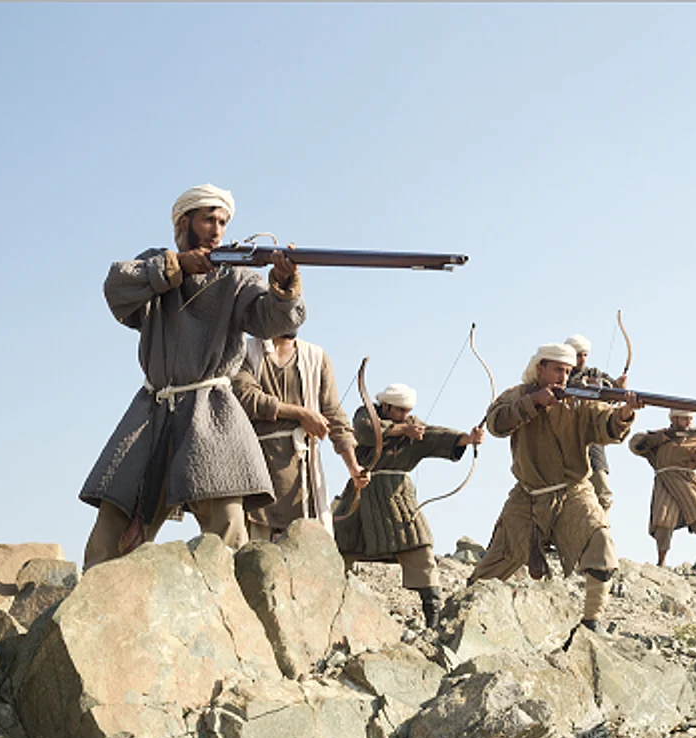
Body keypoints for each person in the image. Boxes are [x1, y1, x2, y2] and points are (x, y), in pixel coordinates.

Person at [79, 184, 306, 569]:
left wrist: (284, 290)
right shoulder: (155, 265)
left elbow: (268, 321)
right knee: (114, 526)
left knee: (227, 526)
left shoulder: (237, 277)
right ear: (185, 222)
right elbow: (116, 287)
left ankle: (232, 601)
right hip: (152, 412)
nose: (217, 230)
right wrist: (176, 267)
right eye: (208, 220)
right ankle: (94, 601)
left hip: (212, 412)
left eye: (223, 222)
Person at [467, 343, 641, 635]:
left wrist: (624, 412)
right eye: (558, 370)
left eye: (568, 371)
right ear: (540, 369)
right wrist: (533, 403)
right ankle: (463, 614)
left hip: (574, 491)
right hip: (528, 494)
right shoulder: (517, 394)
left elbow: (605, 424)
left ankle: (591, 621)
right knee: (494, 564)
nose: (564, 377)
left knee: (600, 543)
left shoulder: (578, 400)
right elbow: (497, 423)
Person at [334, 383, 484, 629]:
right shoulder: (366, 414)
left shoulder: (413, 427)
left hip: (398, 497)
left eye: (407, 411)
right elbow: (366, 431)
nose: (405, 415)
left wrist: (467, 439)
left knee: (420, 550)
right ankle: (327, 605)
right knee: (341, 547)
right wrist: (403, 430)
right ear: (386, 406)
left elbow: (434, 435)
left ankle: (433, 619)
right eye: (400, 410)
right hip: (362, 491)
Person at [232, 332, 368, 541]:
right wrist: (301, 414)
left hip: (302, 465)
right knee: (254, 545)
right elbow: (247, 397)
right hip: (254, 463)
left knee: (305, 541)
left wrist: (353, 467)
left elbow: (334, 416)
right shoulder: (244, 351)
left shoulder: (315, 356)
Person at [629, 409, 696, 578]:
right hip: (665, 481)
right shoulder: (661, 437)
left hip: (688, 481)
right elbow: (635, 444)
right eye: (684, 418)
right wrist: (659, 438)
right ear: (674, 419)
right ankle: (661, 562)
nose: (688, 422)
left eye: (690, 419)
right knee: (663, 521)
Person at [565, 334, 623, 511]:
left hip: (591, 436)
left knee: (602, 489)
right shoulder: (560, 374)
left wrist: (618, 387)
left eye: (584, 355)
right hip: (566, 437)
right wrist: (581, 385)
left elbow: (611, 392)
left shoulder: (594, 373)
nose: (582, 359)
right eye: (578, 355)